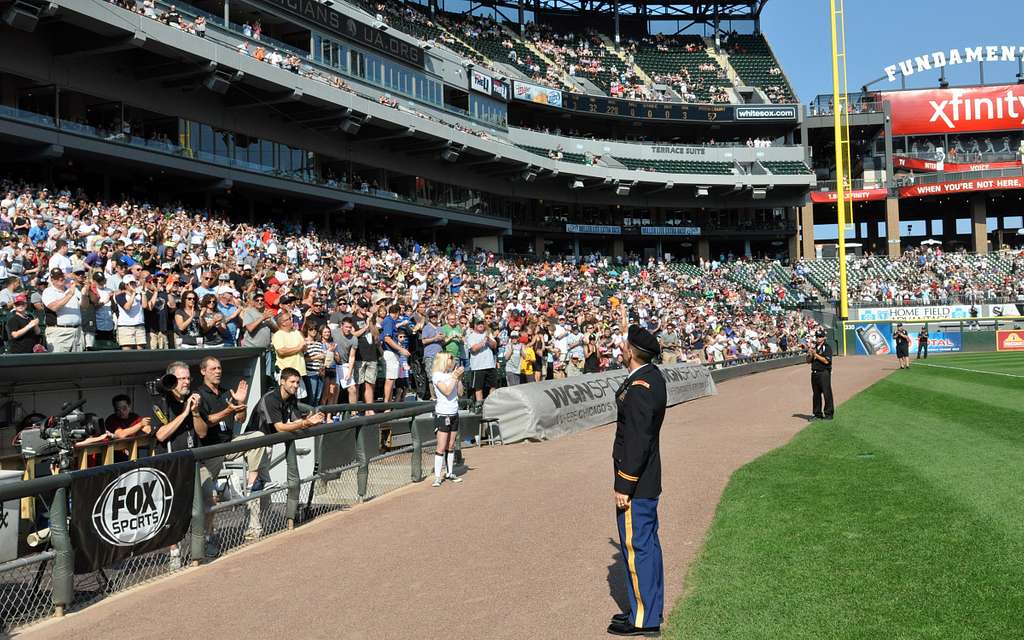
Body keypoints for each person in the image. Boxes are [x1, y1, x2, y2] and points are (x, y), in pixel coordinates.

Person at [608, 312, 668, 637]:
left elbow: (637, 439)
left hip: (637, 481)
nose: (620, 349)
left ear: (631, 352)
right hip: (647, 479)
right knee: (647, 545)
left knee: (637, 548)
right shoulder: (650, 375)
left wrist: (623, 483)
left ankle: (645, 620)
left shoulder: (642, 386)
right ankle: (645, 609)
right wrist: (624, 327)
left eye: (623, 345)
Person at [430, 352, 464, 487]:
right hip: (443, 414)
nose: (453, 361)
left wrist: (459, 379)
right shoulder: (437, 375)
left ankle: (450, 472)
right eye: (450, 359)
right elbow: (447, 391)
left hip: (454, 412)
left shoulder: (451, 375)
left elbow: (460, 393)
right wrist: (455, 377)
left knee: (451, 445)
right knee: (441, 446)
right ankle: (437, 476)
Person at [42, 268, 84, 352]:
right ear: (52, 280)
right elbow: (54, 307)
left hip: (77, 332)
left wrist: (85, 294)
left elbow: (85, 305)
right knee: (59, 363)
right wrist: (69, 295)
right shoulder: (48, 291)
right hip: (59, 333)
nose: (60, 279)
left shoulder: (72, 290)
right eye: (57, 277)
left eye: (61, 276)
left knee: (78, 363)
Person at [465, 317, 498, 408]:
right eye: (478, 323)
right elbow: (474, 349)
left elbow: (494, 345)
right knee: (478, 387)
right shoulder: (471, 336)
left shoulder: (488, 334)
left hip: (490, 364)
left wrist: (489, 339)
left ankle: (491, 404)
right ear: (474, 325)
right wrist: (483, 342)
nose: (481, 325)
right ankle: (479, 404)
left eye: (482, 323)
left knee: (493, 385)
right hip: (478, 366)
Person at [807, 328, 834, 420]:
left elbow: (826, 361)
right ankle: (817, 414)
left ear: (824, 337)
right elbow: (808, 361)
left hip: (824, 373)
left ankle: (828, 414)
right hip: (814, 373)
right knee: (816, 394)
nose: (818, 338)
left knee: (827, 393)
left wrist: (815, 355)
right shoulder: (814, 347)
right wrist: (810, 354)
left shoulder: (827, 347)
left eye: (820, 336)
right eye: (817, 336)